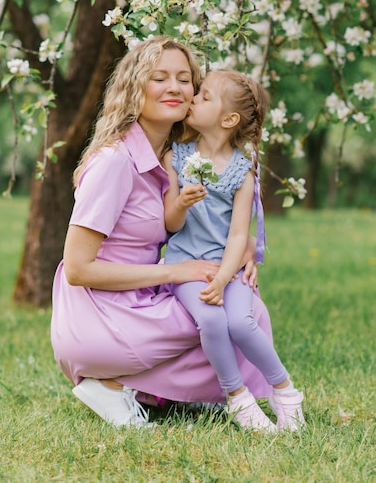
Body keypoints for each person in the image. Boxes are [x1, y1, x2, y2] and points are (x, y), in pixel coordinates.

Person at [50, 37, 274, 429]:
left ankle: (152, 391)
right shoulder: (114, 161)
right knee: (231, 312)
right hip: (98, 313)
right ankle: (109, 382)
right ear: (135, 87)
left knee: (236, 304)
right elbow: (77, 269)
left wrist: (246, 246)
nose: (175, 87)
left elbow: (203, 223)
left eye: (185, 79)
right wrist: (176, 273)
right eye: (159, 77)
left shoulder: (172, 158)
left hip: (137, 298)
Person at [163, 69, 305, 432]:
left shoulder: (243, 170)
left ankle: (285, 391)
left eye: (204, 96)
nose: (193, 97)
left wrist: (225, 276)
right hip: (188, 266)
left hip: (227, 268)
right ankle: (237, 397)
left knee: (241, 322)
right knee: (211, 319)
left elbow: (239, 234)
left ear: (228, 119)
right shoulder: (176, 157)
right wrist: (180, 202)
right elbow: (170, 224)